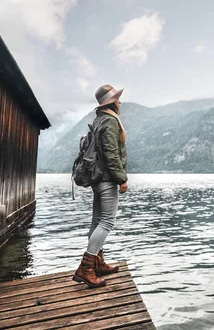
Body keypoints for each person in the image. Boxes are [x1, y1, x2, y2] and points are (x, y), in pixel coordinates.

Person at [73, 84, 129, 287]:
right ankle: (86, 267)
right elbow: (111, 155)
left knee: (97, 220)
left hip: (97, 179)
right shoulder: (110, 122)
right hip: (106, 179)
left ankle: (97, 262)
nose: (120, 101)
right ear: (112, 102)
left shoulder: (99, 120)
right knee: (106, 222)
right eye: (118, 98)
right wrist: (122, 179)